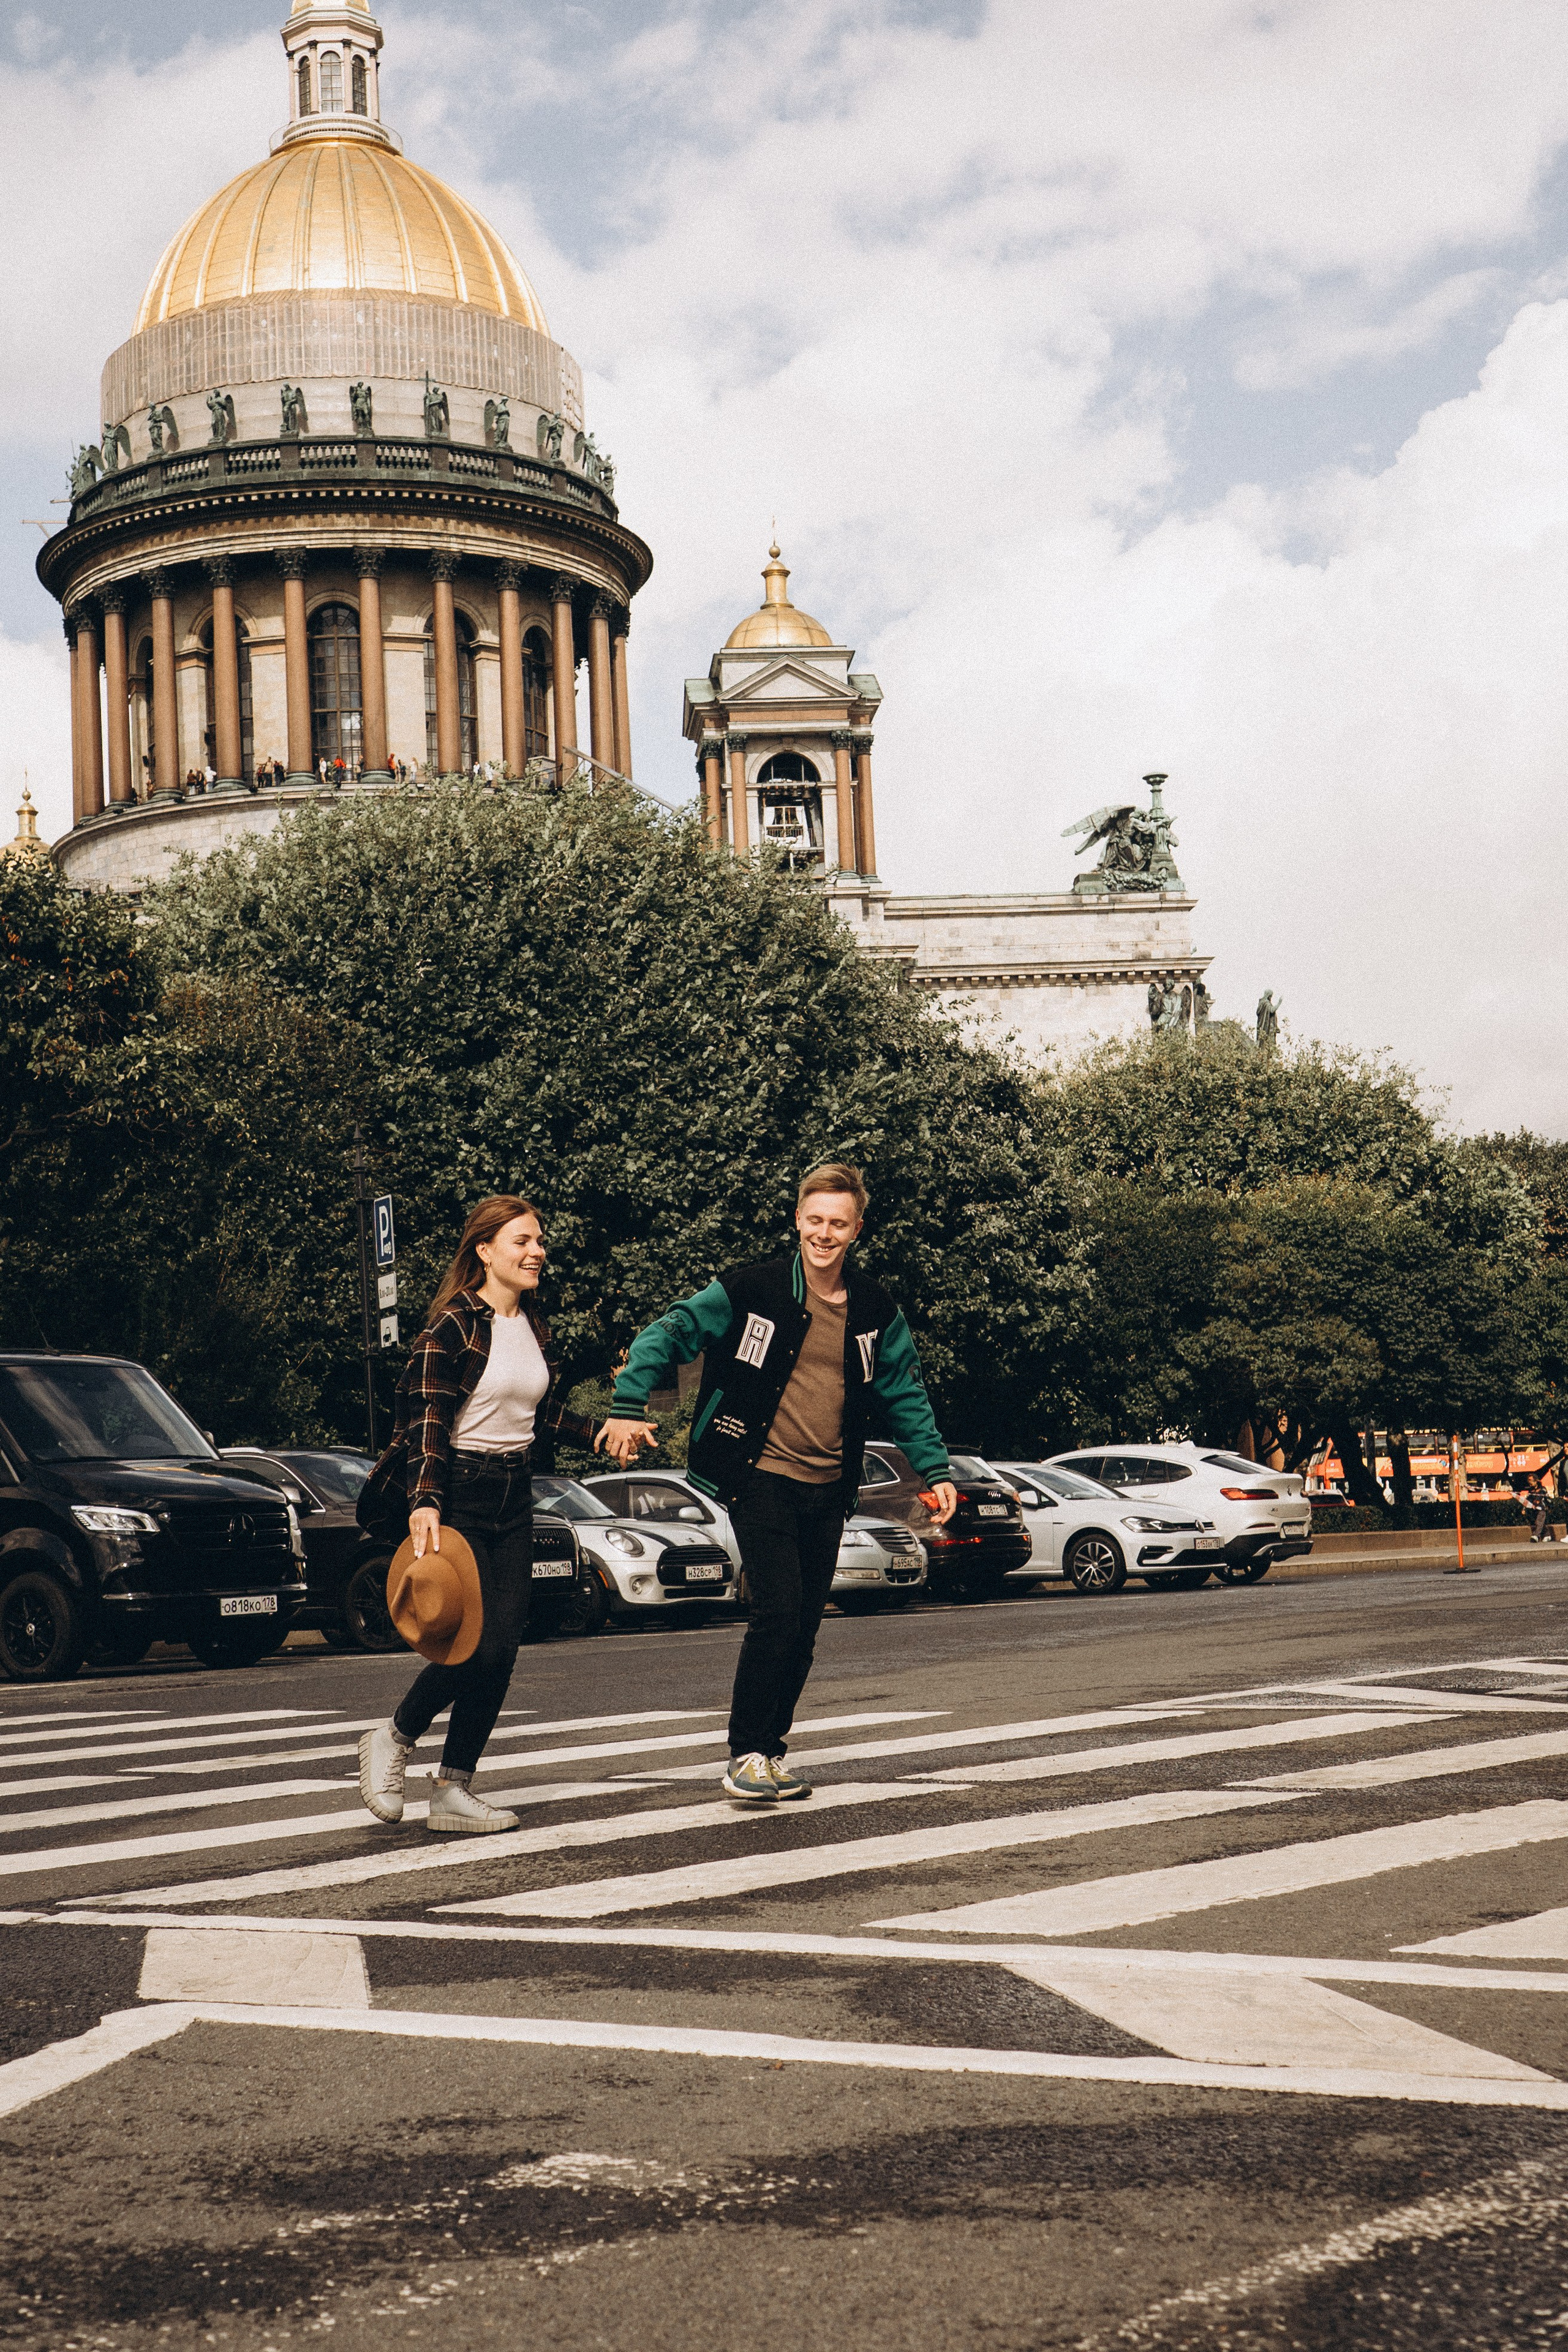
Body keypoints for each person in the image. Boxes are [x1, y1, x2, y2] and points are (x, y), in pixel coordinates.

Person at [601, 1162, 957, 1804]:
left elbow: (903, 1387)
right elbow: (673, 1331)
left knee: (804, 1626)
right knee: (777, 1611)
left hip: (828, 1484)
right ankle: (746, 1753)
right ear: (797, 1220)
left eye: (838, 1225)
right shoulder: (751, 1289)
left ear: (857, 1230)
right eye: (814, 1220)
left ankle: (769, 1751)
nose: (824, 1234)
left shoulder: (875, 1308)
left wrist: (934, 1470)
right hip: (757, 1473)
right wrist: (629, 1403)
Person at [356, 1194, 651, 1833]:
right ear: (484, 1251)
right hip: (460, 1490)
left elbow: (535, 1412)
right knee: (470, 1649)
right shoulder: (453, 1327)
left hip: (516, 1493)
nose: (536, 1251)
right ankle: (395, 1735)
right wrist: (426, 1500)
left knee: (504, 1647)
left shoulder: (532, 1325)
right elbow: (428, 1419)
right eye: (521, 1241)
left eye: (539, 1240)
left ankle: (452, 1790)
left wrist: (601, 1431)